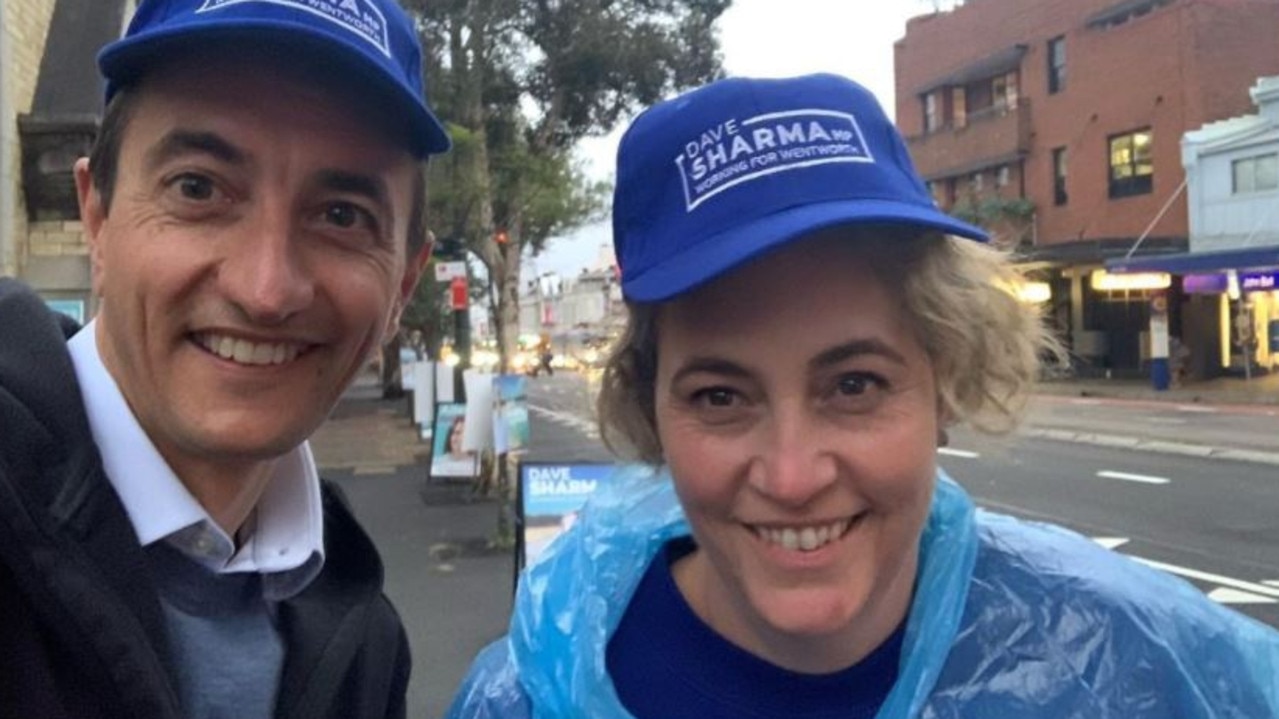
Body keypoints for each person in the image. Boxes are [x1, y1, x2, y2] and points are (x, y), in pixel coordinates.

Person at [446, 74, 1279, 717]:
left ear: (942, 384)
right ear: (649, 410)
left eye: (853, 384)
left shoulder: (1130, 659)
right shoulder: (530, 695)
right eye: (719, 397)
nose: (793, 474)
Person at [0, 0, 450, 717]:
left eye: (340, 215)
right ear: (98, 217)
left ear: (402, 284)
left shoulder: (365, 643)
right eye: (198, 187)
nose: (266, 289)